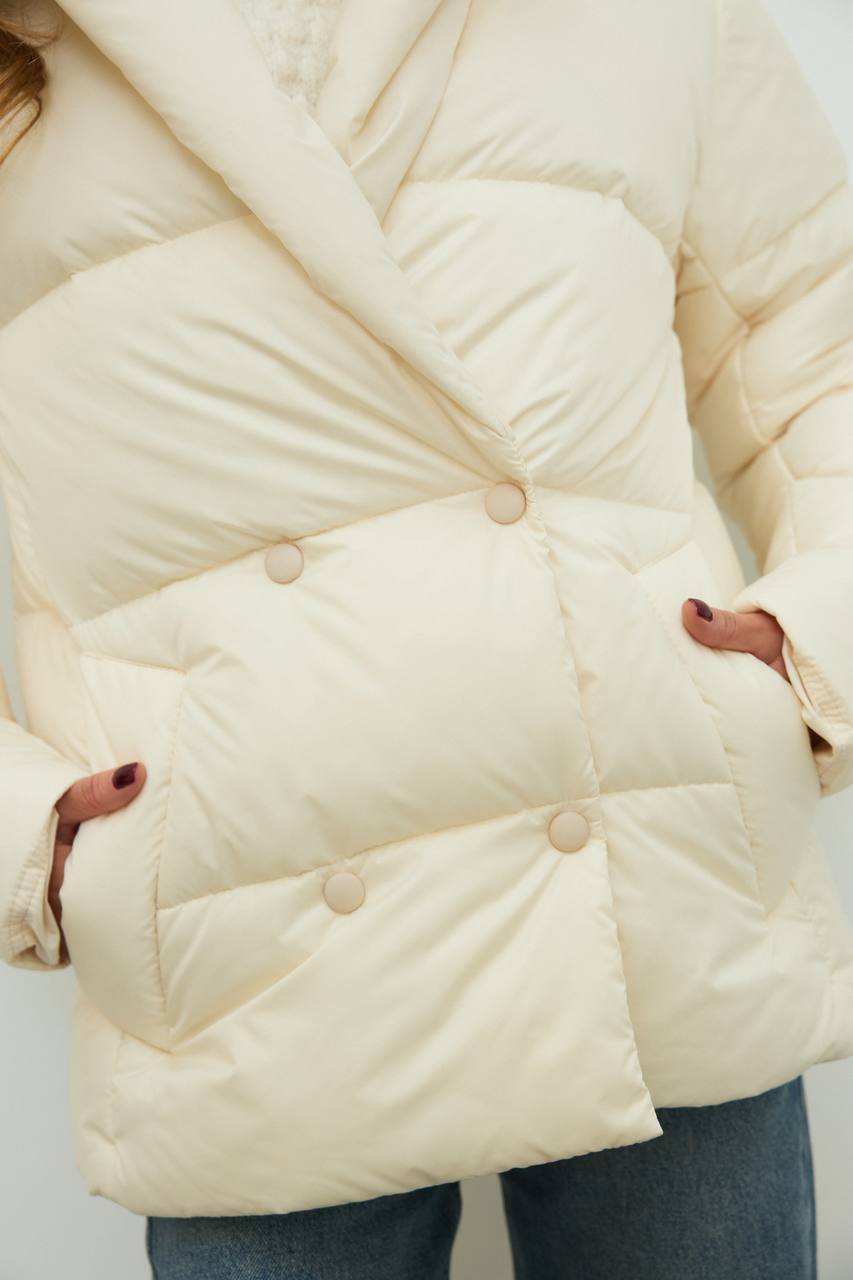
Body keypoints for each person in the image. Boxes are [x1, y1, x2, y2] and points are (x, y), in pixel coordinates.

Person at [1, 0, 852, 1276]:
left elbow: (813, 330)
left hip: (653, 870)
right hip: (248, 937)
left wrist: (811, 638)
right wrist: (28, 825)